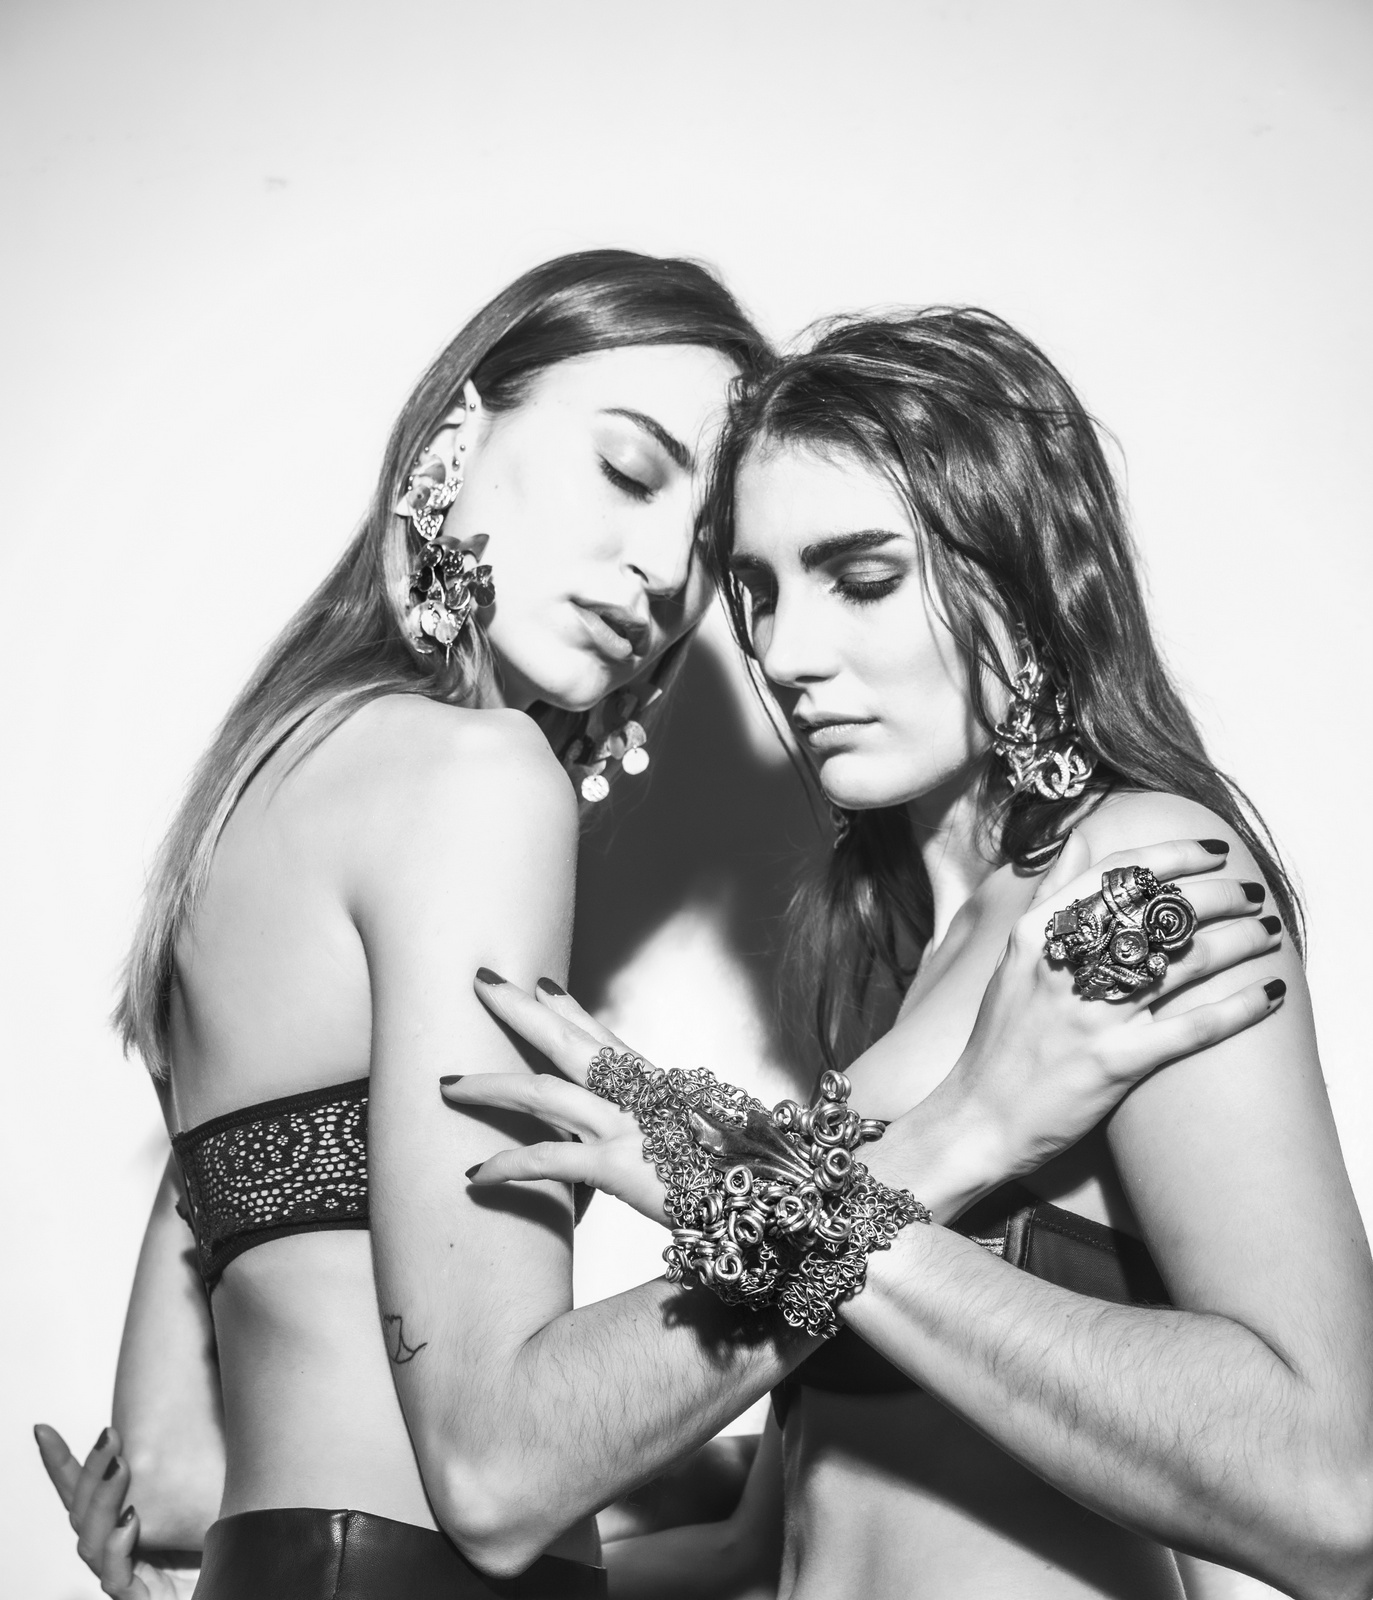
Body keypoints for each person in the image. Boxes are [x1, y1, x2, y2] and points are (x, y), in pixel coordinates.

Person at [37, 264, 1285, 1600]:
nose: (663, 575)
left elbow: (173, 1474)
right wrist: (950, 1132)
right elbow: (498, 1475)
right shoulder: (480, 777)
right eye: (628, 473)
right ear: (452, 440)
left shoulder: (252, 809)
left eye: (702, 552)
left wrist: (750, 1210)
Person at [442, 310, 1373, 1599]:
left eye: (863, 580)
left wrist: (770, 1195)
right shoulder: (901, 969)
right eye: (759, 592)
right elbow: (770, 1541)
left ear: (1023, 579)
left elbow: (1336, 1493)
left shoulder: (1133, 876)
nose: (784, 653)